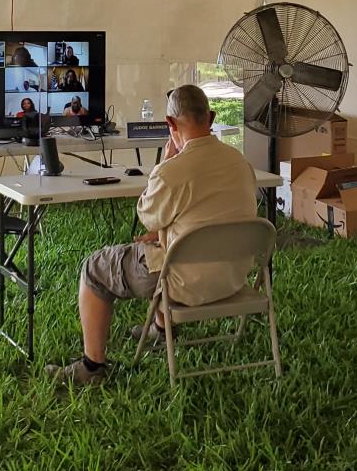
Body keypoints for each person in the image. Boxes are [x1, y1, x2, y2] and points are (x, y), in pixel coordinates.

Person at [46, 85, 258, 385]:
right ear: (210, 117)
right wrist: (166, 234)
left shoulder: (173, 170)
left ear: (169, 124)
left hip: (183, 283)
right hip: (232, 278)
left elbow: (147, 215)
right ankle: (160, 331)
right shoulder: (241, 162)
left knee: (94, 268)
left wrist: (166, 163)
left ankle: (92, 367)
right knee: (165, 244)